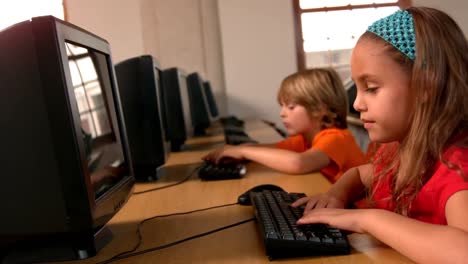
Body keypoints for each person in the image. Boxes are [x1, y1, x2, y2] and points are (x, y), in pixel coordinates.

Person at [292, 7, 468, 263]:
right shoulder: (398, 149)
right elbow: (360, 175)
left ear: (425, 86)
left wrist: (368, 219)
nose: (356, 104)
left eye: (371, 88)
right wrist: (336, 194)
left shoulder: (456, 166)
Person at [203, 68, 366, 183]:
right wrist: (241, 151)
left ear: (319, 108)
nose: (282, 113)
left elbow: (299, 163)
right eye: (282, 106)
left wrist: (243, 151)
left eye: (291, 107)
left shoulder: (336, 139)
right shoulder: (305, 140)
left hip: (361, 218)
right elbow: (273, 150)